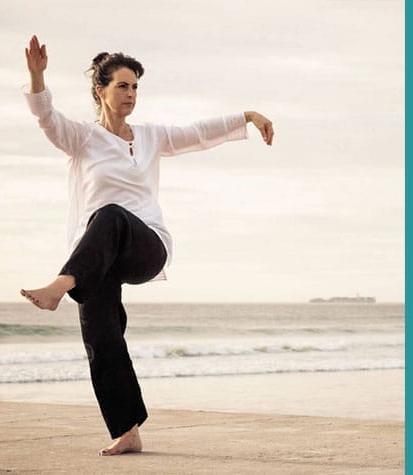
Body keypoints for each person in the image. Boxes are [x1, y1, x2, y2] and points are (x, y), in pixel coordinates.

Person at [19, 35, 274, 456]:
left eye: (135, 86)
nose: (131, 94)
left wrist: (247, 116)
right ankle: (127, 428)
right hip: (96, 256)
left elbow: (197, 132)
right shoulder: (82, 138)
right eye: (122, 86)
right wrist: (36, 74)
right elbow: (46, 117)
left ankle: (62, 283)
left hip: (145, 247)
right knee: (102, 336)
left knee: (112, 214)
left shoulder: (151, 137)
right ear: (100, 91)